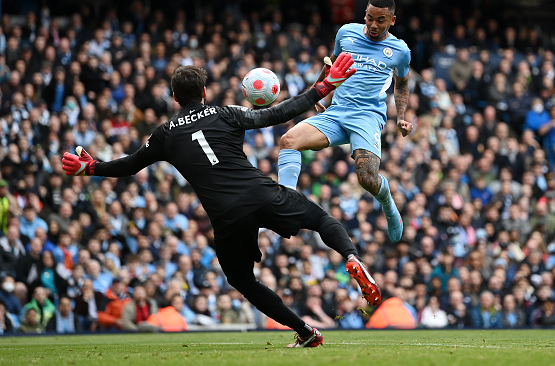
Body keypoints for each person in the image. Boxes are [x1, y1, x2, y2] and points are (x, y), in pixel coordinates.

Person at [62, 56, 380, 348]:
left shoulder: (164, 135)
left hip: (226, 216)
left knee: (241, 279)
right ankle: (351, 257)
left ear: (174, 98)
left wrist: (92, 167)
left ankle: (305, 332)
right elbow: (277, 114)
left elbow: (129, 164)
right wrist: (321, 88)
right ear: (204, 91)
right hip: (260, 193)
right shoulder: (224, 113)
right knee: (322, 220)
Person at [277, 0, 413, 243]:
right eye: (370, 18)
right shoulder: (346, 33)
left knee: (367, 179)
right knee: (288, 140)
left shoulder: (400, 51)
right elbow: (332, 63)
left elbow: (401, 85)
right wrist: (318, 89)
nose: (373, 25)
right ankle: (285, 202)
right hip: (337, 112)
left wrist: (401, 117)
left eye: (380, 21)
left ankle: (388, 203)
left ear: (392, 20)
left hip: (367, 117)